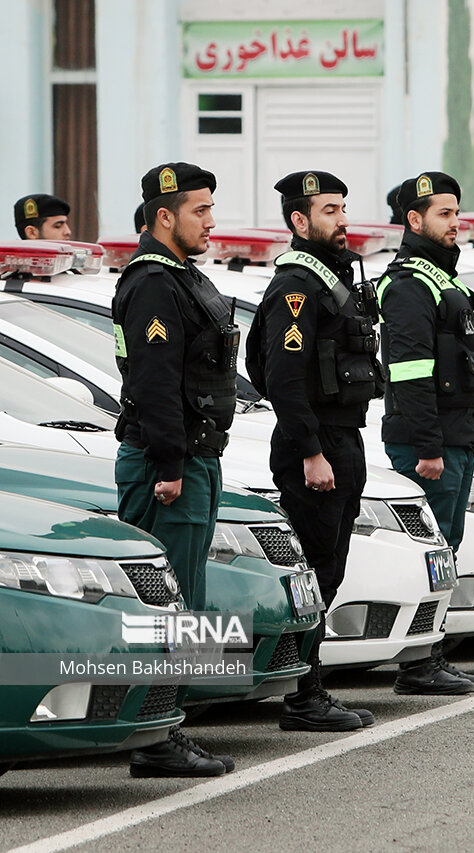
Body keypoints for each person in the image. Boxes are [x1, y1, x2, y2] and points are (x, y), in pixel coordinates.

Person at [114, 162, 235, 777]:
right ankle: (153, 740)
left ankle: (168, 728)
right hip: (171, 462)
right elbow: (155, 384)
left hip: (193, 457)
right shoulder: (154, 284)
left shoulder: (180, 278)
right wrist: (168, 464)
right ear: (166, 216)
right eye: (200, 211)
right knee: (168, 604)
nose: (211, 222)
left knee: (188, 601)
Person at [246, 170, 378, 730]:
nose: (342, 219)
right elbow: (282, 375)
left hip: (341, 437)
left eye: (343, 207)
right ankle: (303, 696)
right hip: (316, 446)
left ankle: (307, 687)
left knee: (329, 568)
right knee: (315, 572)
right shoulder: (296, 286)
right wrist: (310, 450)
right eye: (329, 210)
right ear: (300, 221)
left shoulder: (330, 278)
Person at [378, 171, 474, 691]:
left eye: (455, 212)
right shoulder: (408, 285)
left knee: (448, 545)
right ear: (415, 220)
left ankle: (432, 653)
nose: (456, 223)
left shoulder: (444, 278)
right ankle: (418, 665)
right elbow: (408, 374)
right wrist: (427, 446)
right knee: (432, 549)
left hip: (456, 434)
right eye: (444, 214)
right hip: (430, 442)